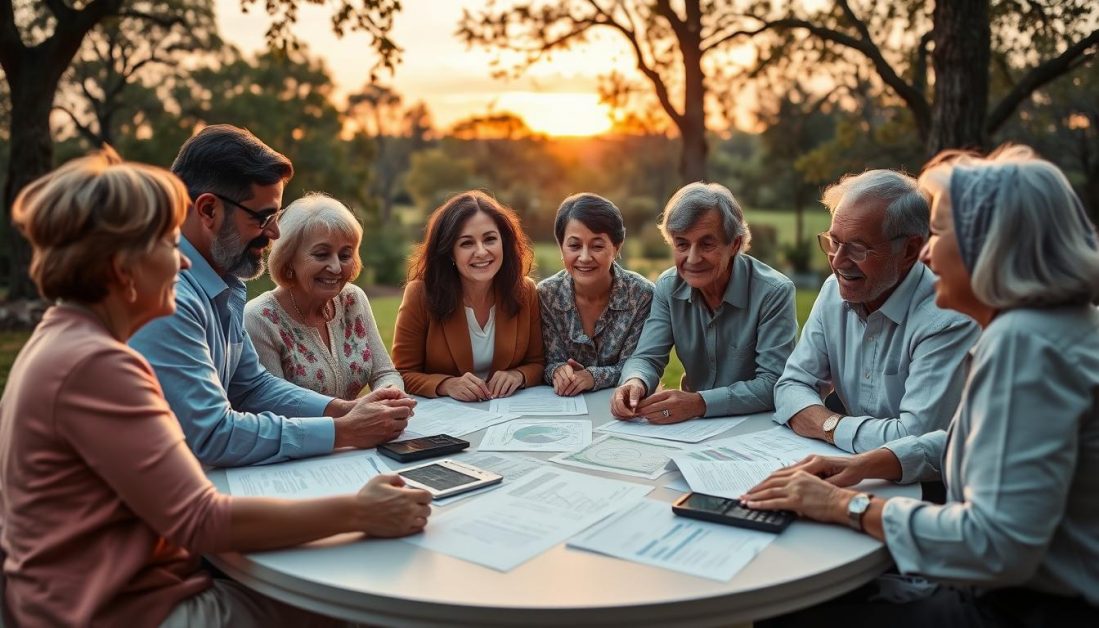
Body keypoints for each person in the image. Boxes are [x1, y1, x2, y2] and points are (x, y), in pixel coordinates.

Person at [0, 149, 431, 627]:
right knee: (352, 605)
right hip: (113, 610)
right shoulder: (96, 365)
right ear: (123, 270)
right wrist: (360, 512)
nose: (182, 264)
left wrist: (343, 415)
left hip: (132, 587)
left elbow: (250, 386)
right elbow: (202, 519)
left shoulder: (73, 341)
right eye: (167, 244)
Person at [745, 146, 1099, 627]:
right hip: (1025, 593)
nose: (928, 253)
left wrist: (844, 505)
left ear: (990, 243)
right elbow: (969, 439)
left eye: (940, 232)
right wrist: (872, 461)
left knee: (785, 610)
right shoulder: (1052, 326)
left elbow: (995, 546)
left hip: (1027, 609)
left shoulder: (1025, 344)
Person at [129, 125, 414, 468]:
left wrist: (344, 410)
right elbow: (211, 434)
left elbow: (251, 386)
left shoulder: (225, 284)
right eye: (263, 217)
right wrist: (342, 431)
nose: (275, 232)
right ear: (207, 210)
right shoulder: (167, 296)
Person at [772, 170, 980, 453]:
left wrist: (827, 426)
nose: (838, 262)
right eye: (833, 242)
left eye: (858, 248)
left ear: (910, 250)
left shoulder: (947, 317)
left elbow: (915, 441)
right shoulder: (833, 290)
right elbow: (791, 385)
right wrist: (837, 428)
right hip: (848, 465)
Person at [611, 182, 798, 423]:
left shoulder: (774, 292)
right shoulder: (668, 286)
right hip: (695, 426)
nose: (692, 258)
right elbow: (646, 357)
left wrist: (699, 403)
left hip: (756, 423)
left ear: (735, 244)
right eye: (682, 244)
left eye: (706, 244)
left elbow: (773, 384)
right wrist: (635, 381)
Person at [245, 193, 403, 399]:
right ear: (289, 258)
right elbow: (277, 406)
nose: (336, 267)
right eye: (321, 254)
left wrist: (390, 397)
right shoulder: (260, 318)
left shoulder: (353, 299)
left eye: (345, 255)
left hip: (362, 427)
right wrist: (356, 415)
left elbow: (385, 373)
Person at [392, 190, 544, 400]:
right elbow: (401, 374)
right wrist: (447, 385)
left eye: (490, 239)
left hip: (505, 414)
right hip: (445, 420)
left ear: (504, 243)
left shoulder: (525, 291)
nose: (481, 252)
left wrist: (518, 375)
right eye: (467, 243)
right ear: (449, 252)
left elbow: (538, 362)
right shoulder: (420, 295)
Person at [537, 193, 654, 396]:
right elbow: (545, 362)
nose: (584, 257)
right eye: (574, 246)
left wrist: (593, 377)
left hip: (622, 409)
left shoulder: (641, 295)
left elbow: (636, 366)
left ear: (617, 247)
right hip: (561, 409)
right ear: (561, 247)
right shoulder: (546, 295)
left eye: (597, 246)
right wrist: (557, 372)